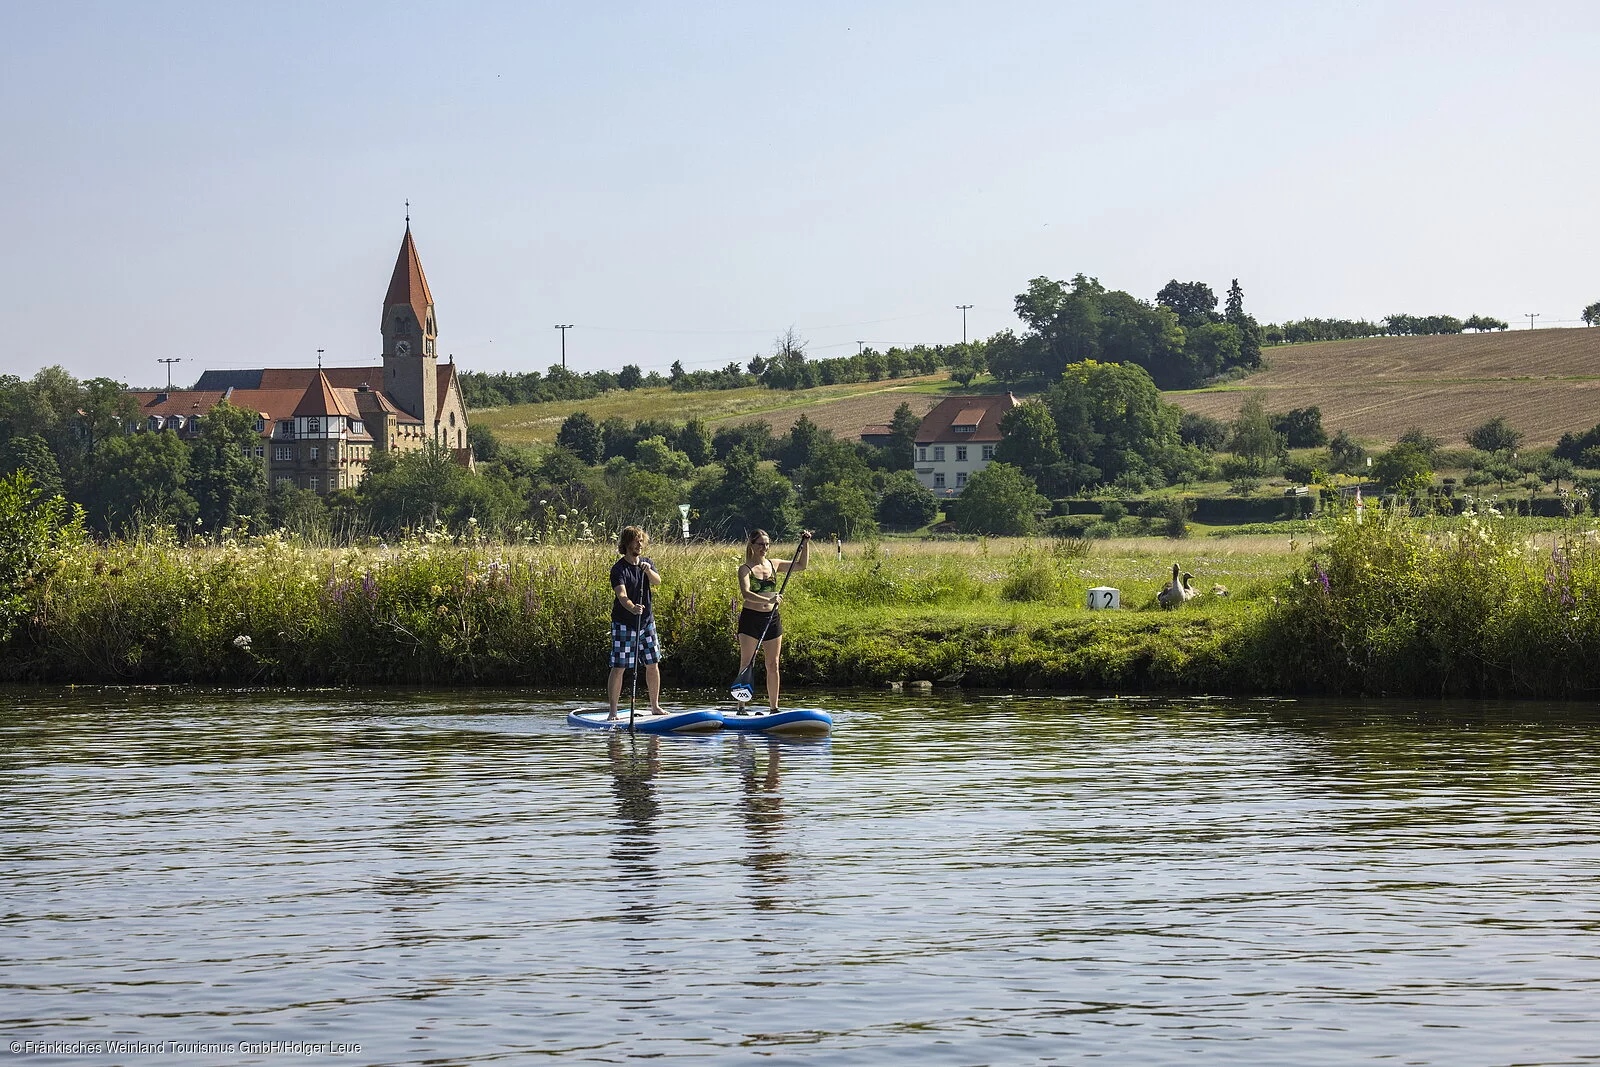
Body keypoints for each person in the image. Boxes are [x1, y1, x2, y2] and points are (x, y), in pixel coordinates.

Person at [735, 528, 810, 711]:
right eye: (761, 544)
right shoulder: (745, 569)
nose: (765, 548)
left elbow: (801, 565)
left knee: (773, 664)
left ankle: (774, 707)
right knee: (747, 662)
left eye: (767, 544)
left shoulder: (773, 564)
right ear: (752, 546)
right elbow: (746, 594)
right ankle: (741, 706)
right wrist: (769, 599)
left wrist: (805, 544)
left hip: (771, 619)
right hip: (751, 620)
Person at [607, 526, 663, 719]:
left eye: (641, 540)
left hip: (646, 622)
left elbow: (657, 581)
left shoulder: (646, 563)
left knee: (652, 663)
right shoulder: (619, 569)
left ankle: (655, 706)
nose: (639, 544)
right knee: (620, 666)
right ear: (627, 543)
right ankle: (613, 711)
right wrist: (631, 607)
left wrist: (648, 572)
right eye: (636, 540)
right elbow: (621, 595)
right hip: (625, 623)